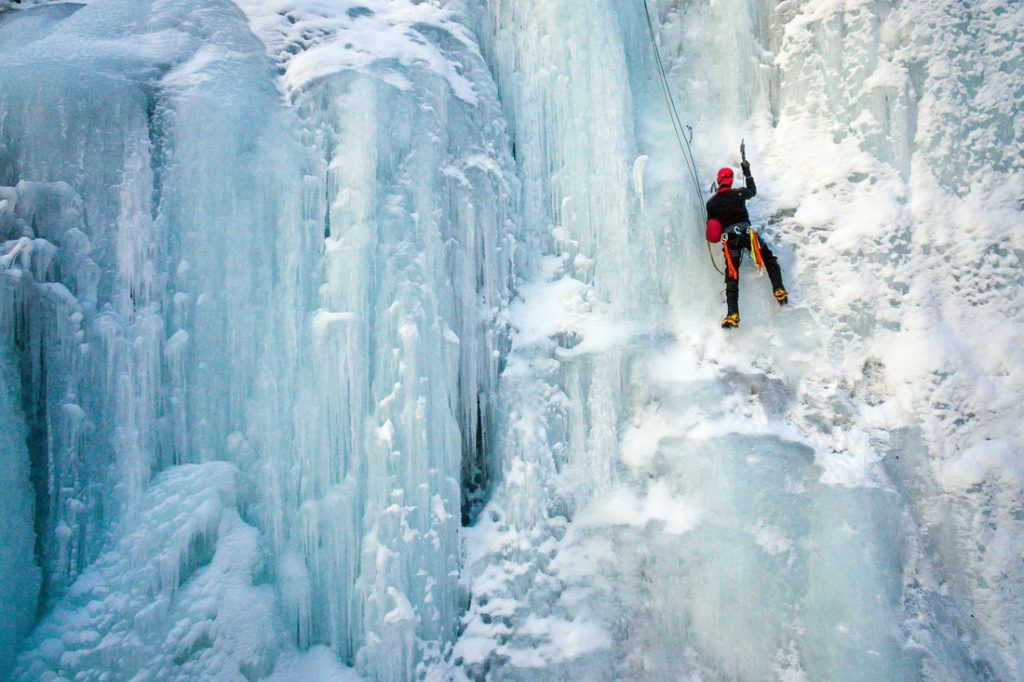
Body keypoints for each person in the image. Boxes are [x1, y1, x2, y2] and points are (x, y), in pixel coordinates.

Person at [705, 160, 787, 328]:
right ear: (731, 180)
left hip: (730, 241)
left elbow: (713, 226)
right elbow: (752, 190)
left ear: (719, 181)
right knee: (768, 258)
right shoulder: (739, 193)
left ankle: (732, 314)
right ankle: (779, 289)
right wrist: (747, 171)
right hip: (748, 235)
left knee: (732, 277)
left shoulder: (711, 203)